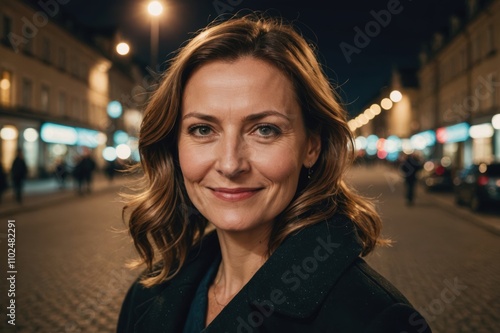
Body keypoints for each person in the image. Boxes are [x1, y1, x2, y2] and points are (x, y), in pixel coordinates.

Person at [117, 14, 432, 333]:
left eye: (264, 130)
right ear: (174, 144)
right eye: (202, 129)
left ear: (311, 146)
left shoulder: (375, 320)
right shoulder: (145, 295)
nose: (230, 164)